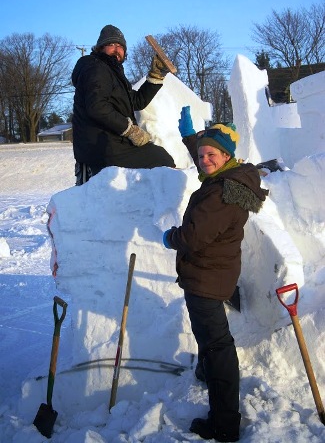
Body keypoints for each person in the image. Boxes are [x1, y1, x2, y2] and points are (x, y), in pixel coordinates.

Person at [162, 106, 267, 442]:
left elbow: (194, 237)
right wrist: (191, 139)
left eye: (211, 155)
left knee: (217, 346)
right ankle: (207, 371)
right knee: (211, 339)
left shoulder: (221, 192)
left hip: (206, 277)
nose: (204, 159)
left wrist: (171, 237)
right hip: (216, 273)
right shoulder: (232, 178)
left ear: (227, 156)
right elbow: (207, 154)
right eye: (201, 153)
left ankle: (224, 423)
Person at [71, 24, 175, 185]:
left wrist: (155, 77)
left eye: (120, 46)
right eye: (111, 44)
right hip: (100, 145)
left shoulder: (112, 73)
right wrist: (130, 130)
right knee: (161, 158)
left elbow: (135, 101)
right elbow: (97, 107)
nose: (116, 49)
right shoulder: (95, 67)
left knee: (159, 157)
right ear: (100, 48)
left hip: (111, 142)